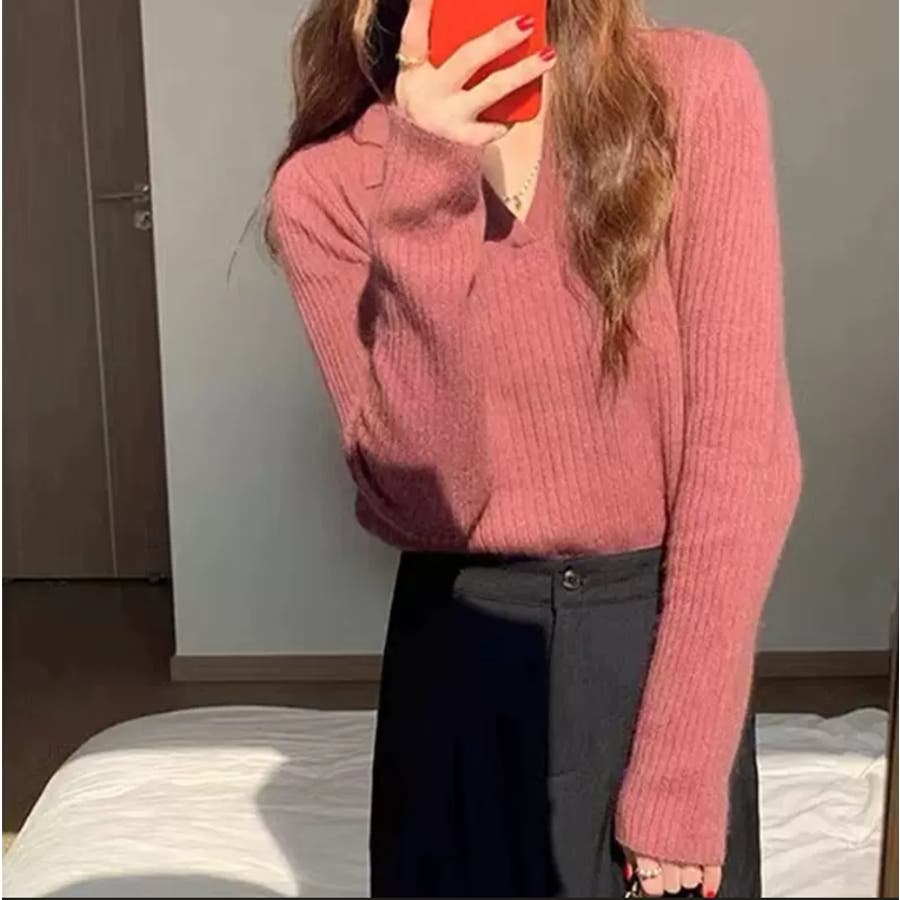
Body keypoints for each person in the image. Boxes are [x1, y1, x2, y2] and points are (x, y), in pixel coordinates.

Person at [268, 0, 802, 895]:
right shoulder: (325, 187)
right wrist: (426, 185)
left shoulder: (692, 91)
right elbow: (429, 504)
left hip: (657, 646)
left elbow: (742, 455)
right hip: (460, 658)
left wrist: (678, 775)